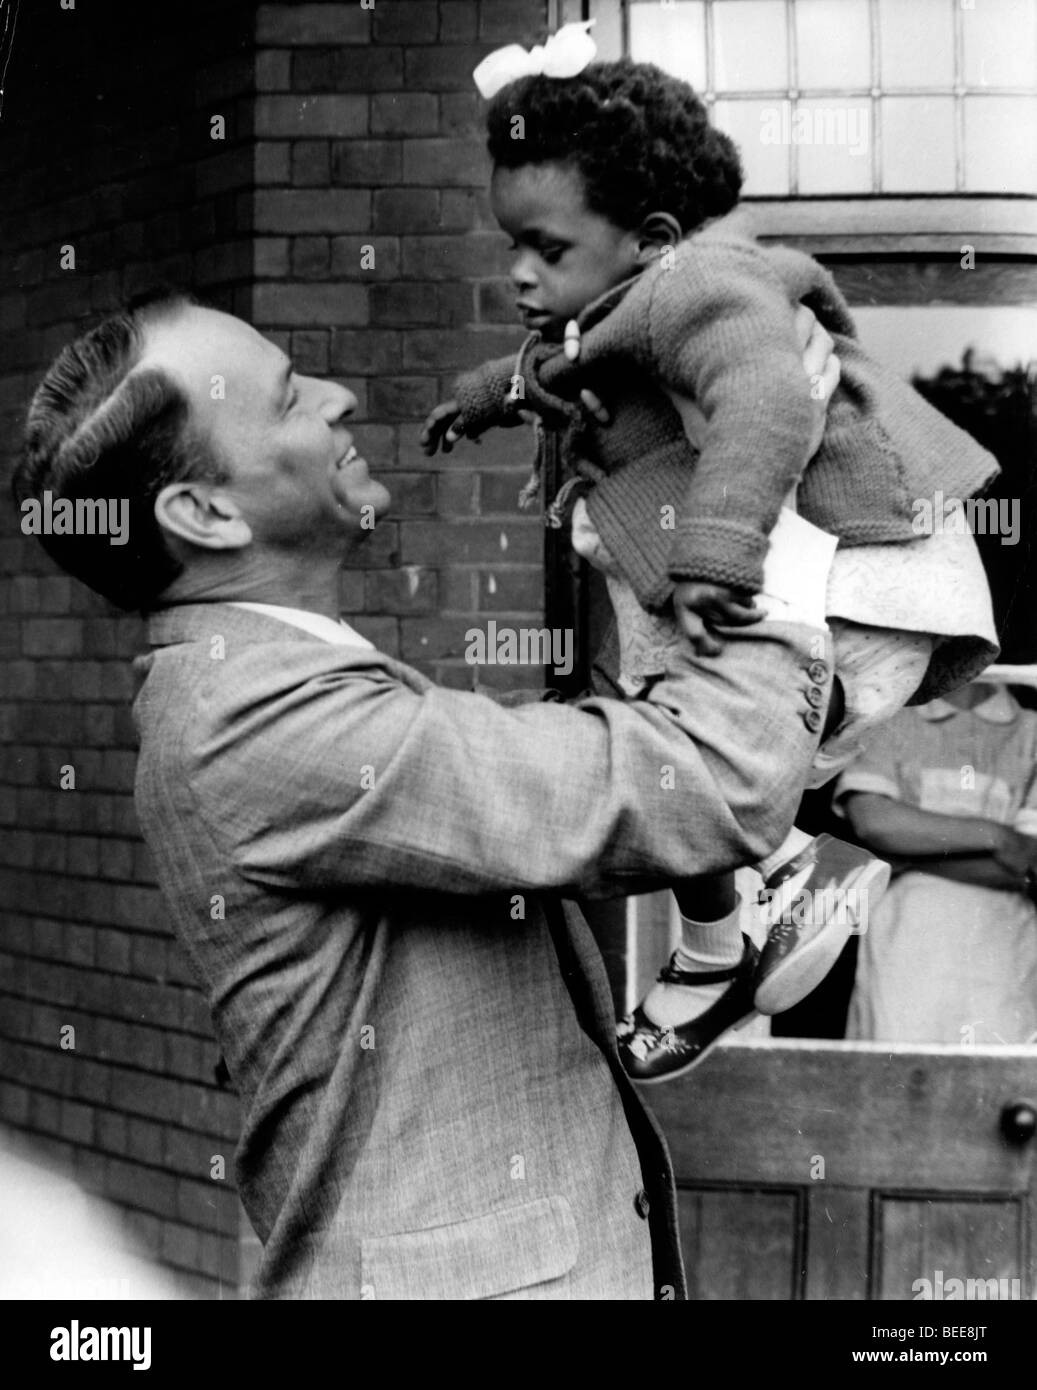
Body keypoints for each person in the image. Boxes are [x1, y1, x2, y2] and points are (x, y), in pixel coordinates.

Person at [15, 294, 841, 1299]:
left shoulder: (258, 685)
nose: (342, 395)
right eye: (286, 400)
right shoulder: (259, 719)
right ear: (206, 513)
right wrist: (762, 491)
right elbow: (706, 785)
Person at [421, 27, 1000, 1080]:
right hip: (800, 595)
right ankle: (731, 934)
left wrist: (716, 555)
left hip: (855, 582)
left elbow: (769, 401)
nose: (516, 271)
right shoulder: (623, 303)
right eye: (509, 243)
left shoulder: (703, 287)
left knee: (677, 757)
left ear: (645, 236)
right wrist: (481, 398)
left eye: (545, 249)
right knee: (673, 749)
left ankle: (759, 894)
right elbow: (554, 362)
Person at [838, 680, 1037, 1045]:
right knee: (897, 1068)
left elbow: (1030, 860)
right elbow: (874, 821)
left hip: (1003, 946)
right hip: (906, 940)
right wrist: (999, 836)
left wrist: (908, 856)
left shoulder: (1031, 730)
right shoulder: (893, 719)